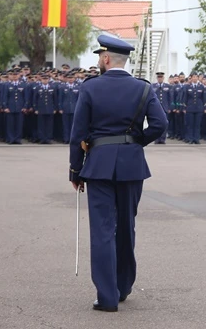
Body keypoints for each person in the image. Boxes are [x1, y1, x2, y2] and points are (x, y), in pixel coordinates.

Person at [69, 35, 168, 313]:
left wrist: (76, 170)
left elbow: (77, 133)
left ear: (106, 59)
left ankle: (107, 297)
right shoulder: (143, 89)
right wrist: (137, 142)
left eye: (99, 57)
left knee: (102, 231)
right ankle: (123, 287)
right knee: (126, 227)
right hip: (132, 165)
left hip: (98, 165)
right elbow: (160, 123)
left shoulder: (90, 88)